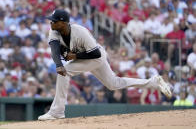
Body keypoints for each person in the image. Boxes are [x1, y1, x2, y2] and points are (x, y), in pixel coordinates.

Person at [38, 9, 172, 120]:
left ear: (63, 23)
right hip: (86, 58)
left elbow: (96, 54)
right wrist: (58, 64)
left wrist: (76, 56)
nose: (51, 22)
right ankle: (153, 82)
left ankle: (57, 112)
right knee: (114, 84)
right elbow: (55, 49)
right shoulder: (54, 31)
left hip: (97, 57)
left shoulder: (81, 32)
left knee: (65, 71)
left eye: (54, 21)